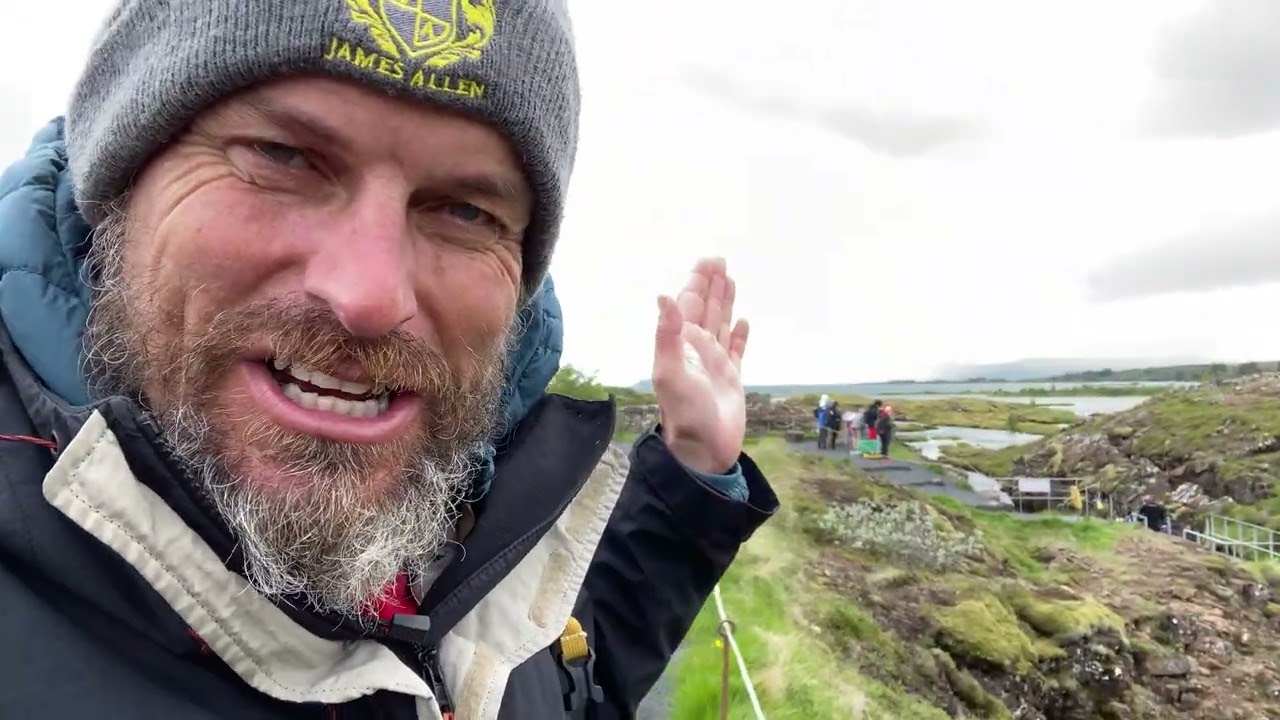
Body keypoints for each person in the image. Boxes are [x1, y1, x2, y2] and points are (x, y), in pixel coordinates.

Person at [0, 4, 779, 718]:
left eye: (465, 210)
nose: (368, 296)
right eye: (283, 156)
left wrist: (694, 474)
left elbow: (573, 684)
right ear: (117, 178)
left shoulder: (474, 485)